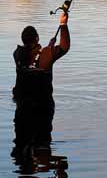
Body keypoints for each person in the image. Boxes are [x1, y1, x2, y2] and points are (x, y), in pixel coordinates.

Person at [12, 11, 70, 155]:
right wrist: (63, 25)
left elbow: (34, 57)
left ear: (23, 40)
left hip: (22, 109)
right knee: (42, 140)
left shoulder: (17, 55)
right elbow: (64, 46)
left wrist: (49, 48)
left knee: (23, 139)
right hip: (43, 109)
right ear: (37, 38)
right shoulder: (46, 55)